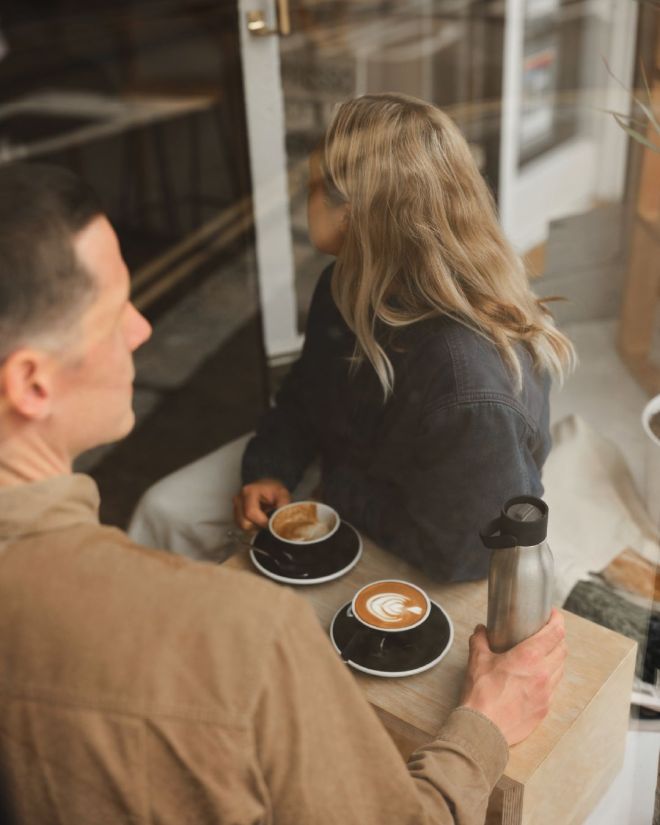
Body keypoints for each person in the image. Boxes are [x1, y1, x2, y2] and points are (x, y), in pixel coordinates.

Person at [0, 162, 567, 825]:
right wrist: (483, 726)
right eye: (113, 312)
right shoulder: (250, 638)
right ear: (31, 383)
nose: (143, 329)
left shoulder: (464, 381)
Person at [129, 93, 575, 580]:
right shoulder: (345, 284)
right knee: (162, 510)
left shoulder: (468, 385)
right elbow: (306, 395)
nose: (301, 199)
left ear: (354, 216)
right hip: (351, 470)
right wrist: (270, 468)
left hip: (424, 534)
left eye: (313, 187)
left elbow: (467, 554)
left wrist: (338, 492)